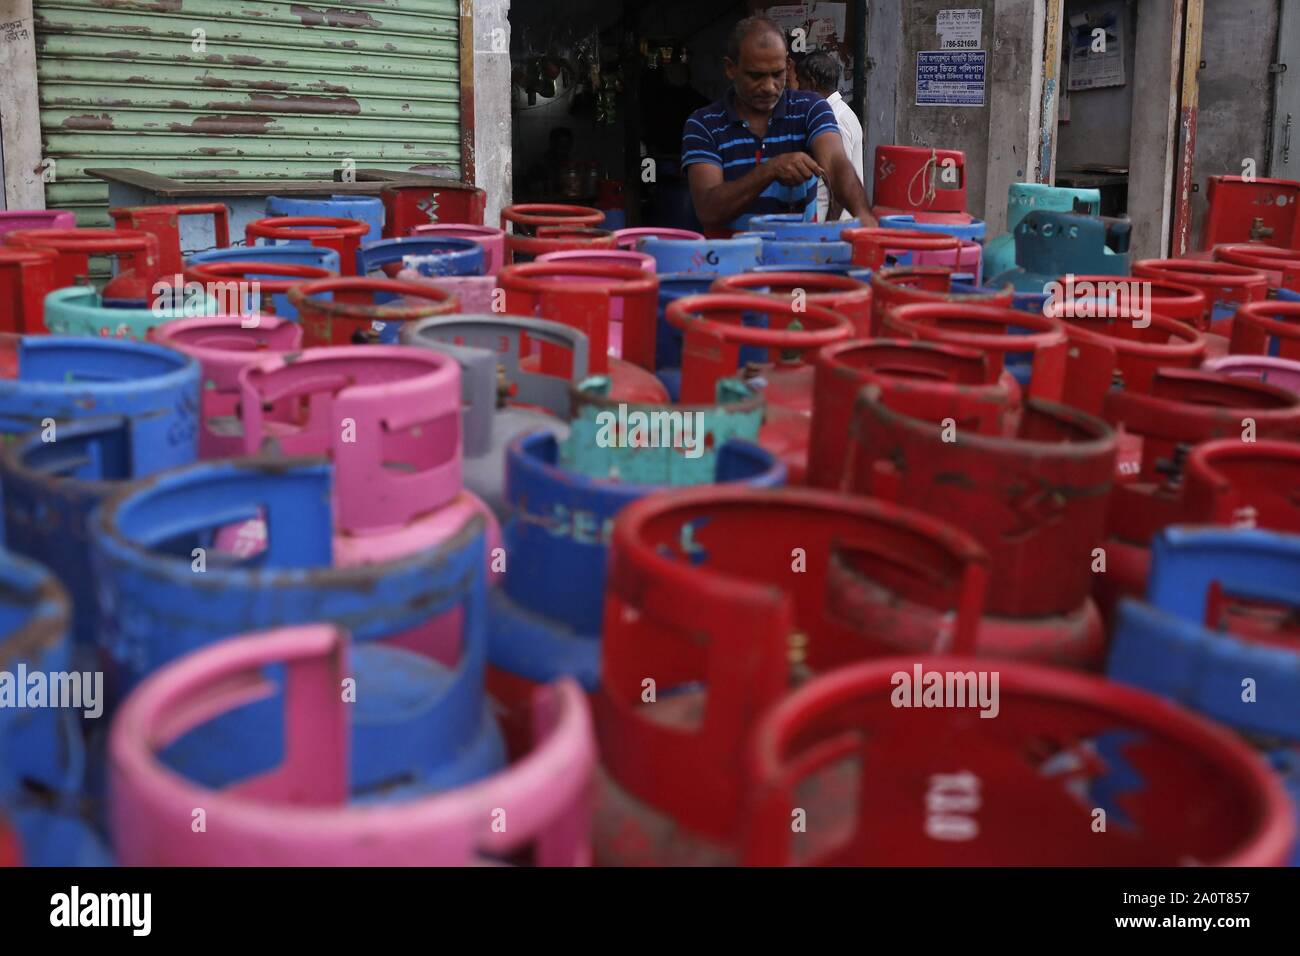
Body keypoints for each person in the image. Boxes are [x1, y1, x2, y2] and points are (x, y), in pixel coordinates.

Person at [681, 16, 875, 234]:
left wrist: (864, 216)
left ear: (788, 65)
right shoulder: (704, 124)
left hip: (798, 258)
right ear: (730, 68)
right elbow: (708, 211)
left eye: (777, 74)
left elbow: (836, 165)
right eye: (756, 76)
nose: (769, 86)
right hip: (730, 262)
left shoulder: (811, 109)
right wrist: (769, 171)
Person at [797, 51, 865, 222]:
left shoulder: (833, 118)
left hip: (833, 225)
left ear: (812, 83)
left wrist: (828, 226)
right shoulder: (842, 112)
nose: (798, 89)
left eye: (800, 83)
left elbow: (839, 182)